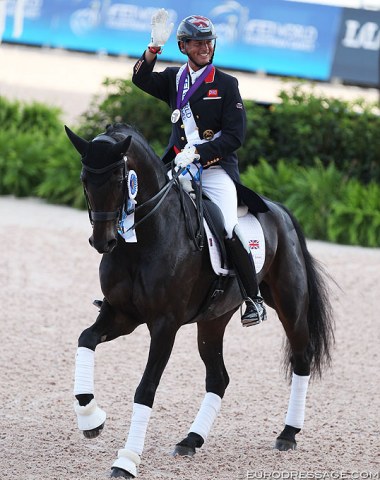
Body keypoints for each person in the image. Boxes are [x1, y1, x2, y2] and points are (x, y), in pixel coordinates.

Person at [132, 9, 267, 326]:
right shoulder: (173, 79)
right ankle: (125, 286)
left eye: (209, 42)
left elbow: (235, 136)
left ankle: (252, 298)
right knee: (137, 208)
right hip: (177, 166)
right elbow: (139, 78)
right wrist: (152, 48)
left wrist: (199, 152)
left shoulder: (226, 84)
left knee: (228, 225)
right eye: (197, 42)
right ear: (183, 46)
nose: (205, 47)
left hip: (215, 170)